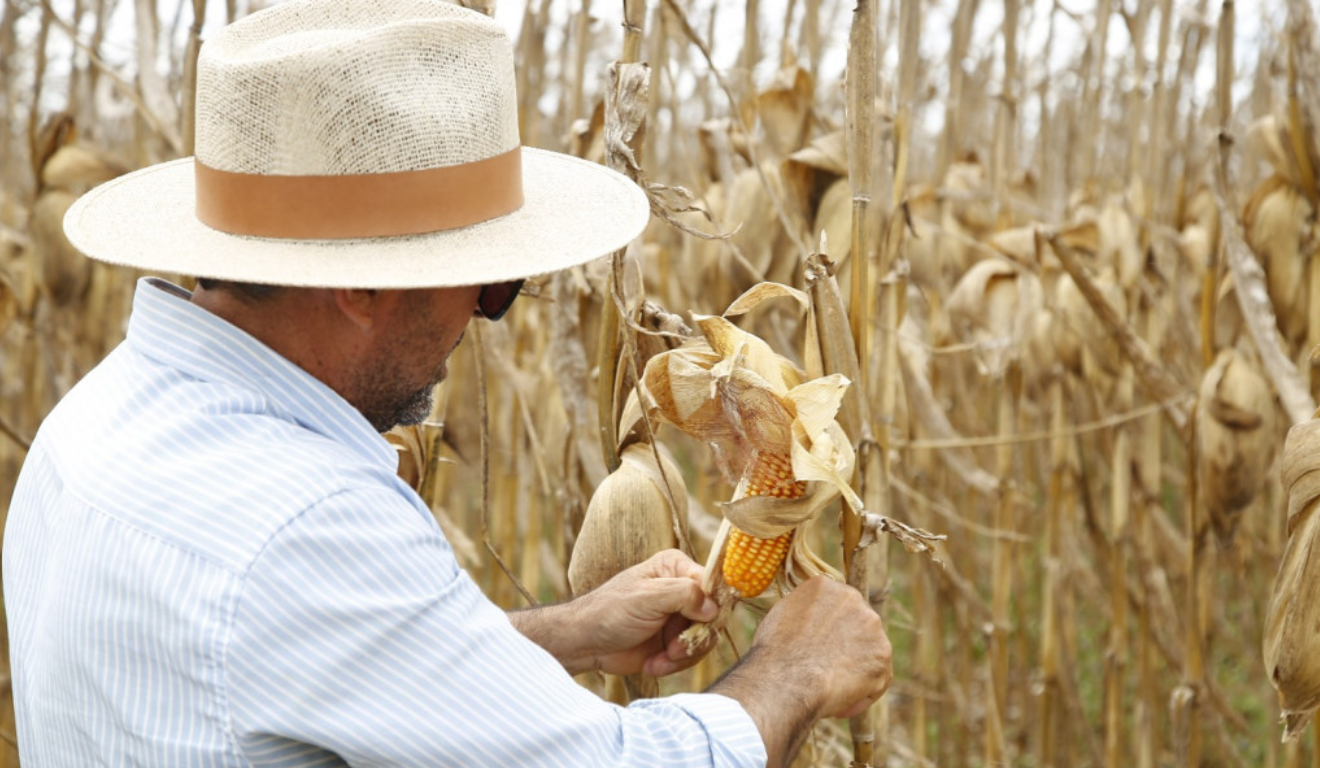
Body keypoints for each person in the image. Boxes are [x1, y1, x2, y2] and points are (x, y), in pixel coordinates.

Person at [3, 1, 893, 766]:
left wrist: (566, 632)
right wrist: (795, 668)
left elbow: (290, 662)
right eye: (490, 286)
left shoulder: (89, 425)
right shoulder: (310, 519)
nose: (479, 319)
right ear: (363, 287)